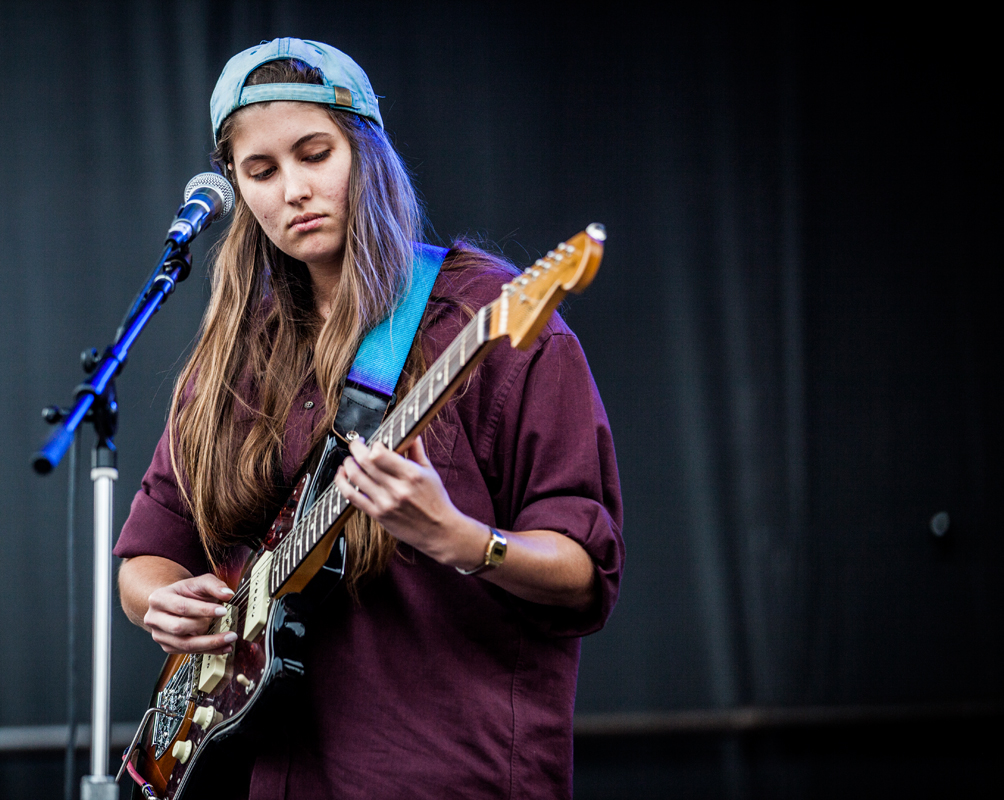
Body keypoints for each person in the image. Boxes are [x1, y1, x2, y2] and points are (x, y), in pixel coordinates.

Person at [115, 38, 623, 799]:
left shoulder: (489, 318)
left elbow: (588, 576)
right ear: (236, 187)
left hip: (449, 776)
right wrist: (162, 602)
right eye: (262, 171)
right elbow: (145, 557)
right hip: (270, 776)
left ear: (367, 152)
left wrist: (462, 540)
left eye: (314, 154)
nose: (293, 191)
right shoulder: (237, 357)